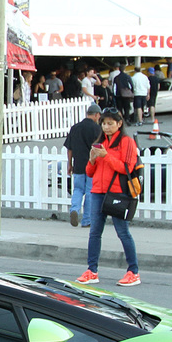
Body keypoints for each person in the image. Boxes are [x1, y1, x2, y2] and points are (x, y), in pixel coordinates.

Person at [77, 109, 140, 287]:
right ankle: (92, 270)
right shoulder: (101, 142)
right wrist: (92, 160)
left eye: (111, 123)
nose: (107, 127)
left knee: (123, 232)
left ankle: (133, 271)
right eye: (104, 123)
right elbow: (90, 172)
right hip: (98, 191)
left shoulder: (126, 142)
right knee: (95, 232)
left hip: (117, 192)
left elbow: (126, 168)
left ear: (119, 124)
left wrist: (107, 156)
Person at [63, 103, 103, 227]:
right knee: (90, 192)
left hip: (78, 165)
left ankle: (74, 209)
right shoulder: (97, 129)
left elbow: (70, 149)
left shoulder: (75, 128)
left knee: (78, 190)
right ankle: (87, 220)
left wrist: (70, 164)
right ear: (96, 115)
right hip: (92, 166)